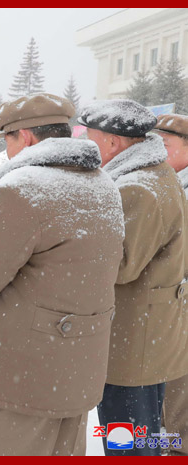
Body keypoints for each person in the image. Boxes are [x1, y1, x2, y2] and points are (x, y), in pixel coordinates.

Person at [0, 93, 125, 456]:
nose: (7, 152)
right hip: (77, 363)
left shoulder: (24, 189)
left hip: (24, 371)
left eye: (8, 140)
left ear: (25, 137)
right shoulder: (104, 184)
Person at [79, 100, 187, 456]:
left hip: (132, 343)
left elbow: (121, 265)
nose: (87, 145)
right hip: (145, 335)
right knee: (138, 435)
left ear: (113, 142)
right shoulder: (154, 174)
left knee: (127, 440)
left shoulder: (137, 188)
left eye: (91, 138)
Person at [153, 113, 188, 457]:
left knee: (181, 384)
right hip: (169, 301)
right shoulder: (166, 183)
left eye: (165, 145)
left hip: (181, 299)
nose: (158, 152)